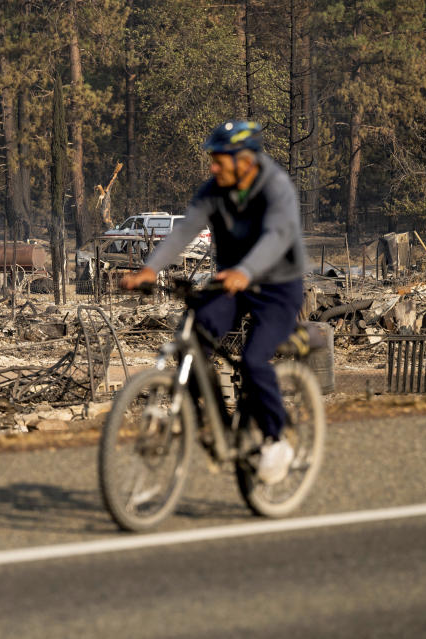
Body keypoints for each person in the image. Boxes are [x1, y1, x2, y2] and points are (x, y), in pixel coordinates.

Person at [120, 120, 308, 484]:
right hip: (230, 282)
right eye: (213, 159)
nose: (213, 167)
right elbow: (185, 230)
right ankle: (210, 423)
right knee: (192, 337)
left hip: (277, 286)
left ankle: (276, 439)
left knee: (254, 360)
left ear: (247, 160)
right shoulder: (213, 191)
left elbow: (277, 236)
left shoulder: (275, 187)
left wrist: (247, 270)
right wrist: (150, 269)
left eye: (221, 159)